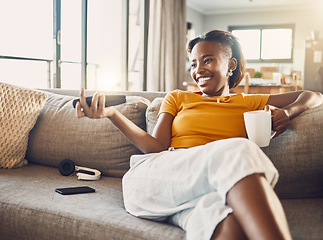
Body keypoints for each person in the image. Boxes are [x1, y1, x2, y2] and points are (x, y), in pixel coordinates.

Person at [76, 30, 323, 240]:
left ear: (231, 65)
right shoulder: (178, 97)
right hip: (159, 178)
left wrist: (289, 112)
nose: (198, 70)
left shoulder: (247, 102)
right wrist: (112, 114)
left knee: (231, 223)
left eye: (207, 60)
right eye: (193, 64)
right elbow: (156, 148)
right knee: (239, 148)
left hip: (206, 191)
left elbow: (313, 95)